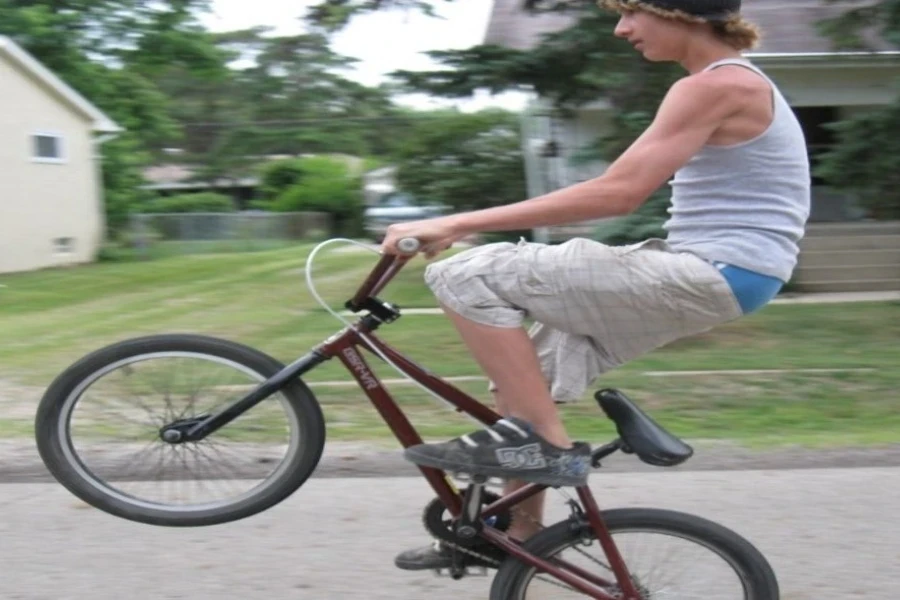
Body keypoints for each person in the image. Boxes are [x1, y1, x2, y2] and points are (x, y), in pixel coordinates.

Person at [383, 0, 811, 571]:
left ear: (681, 13)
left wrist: (457, 222)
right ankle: (519, 531)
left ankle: (550, 447)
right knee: (521, 392)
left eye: (633, 11)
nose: (621, 28)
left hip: (711, 269)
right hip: (730, 276)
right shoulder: (726, 83)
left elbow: (619, 192)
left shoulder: (715, 84)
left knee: (463, 273)